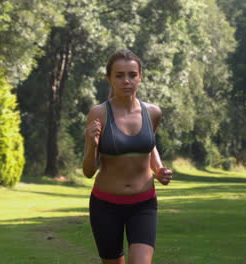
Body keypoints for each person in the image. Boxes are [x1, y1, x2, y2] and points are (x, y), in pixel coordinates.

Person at [82, 49, 173, 264]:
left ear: (140, 76)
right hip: (105, 205)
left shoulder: (153, 112)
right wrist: (91, 144)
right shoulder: (99, 113)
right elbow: (88, 171)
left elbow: (148, 145)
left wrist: (159, 169)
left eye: (132, 75)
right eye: (119, 75)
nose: (126, 81)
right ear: (109, 79)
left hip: (144, 204)